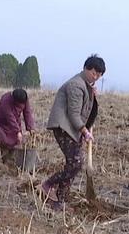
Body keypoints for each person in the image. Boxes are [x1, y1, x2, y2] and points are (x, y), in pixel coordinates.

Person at [42, 55, 104, 207]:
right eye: (93, 73)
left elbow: (88, 110)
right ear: (85, 69)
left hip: (73, 129)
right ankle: (48, 184)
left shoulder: (86, 85)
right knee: (76, 163)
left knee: (74, 164)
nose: (95, 77)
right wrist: (84, 131)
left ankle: (59, 199)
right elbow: (73, 114)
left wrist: (92, 96)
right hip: (64, 127)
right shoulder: (76, 85)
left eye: (99, 75)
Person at [0, 88, 36, 168]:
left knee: (16, 141)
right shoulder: (6, 101)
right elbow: (10, 117)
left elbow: (27, 112)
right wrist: (17, 131)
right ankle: (6, 161)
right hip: (2, 123)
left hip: (15, 121)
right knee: (5, 141)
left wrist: (30, 128)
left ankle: (14, 160)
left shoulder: (24, 98)